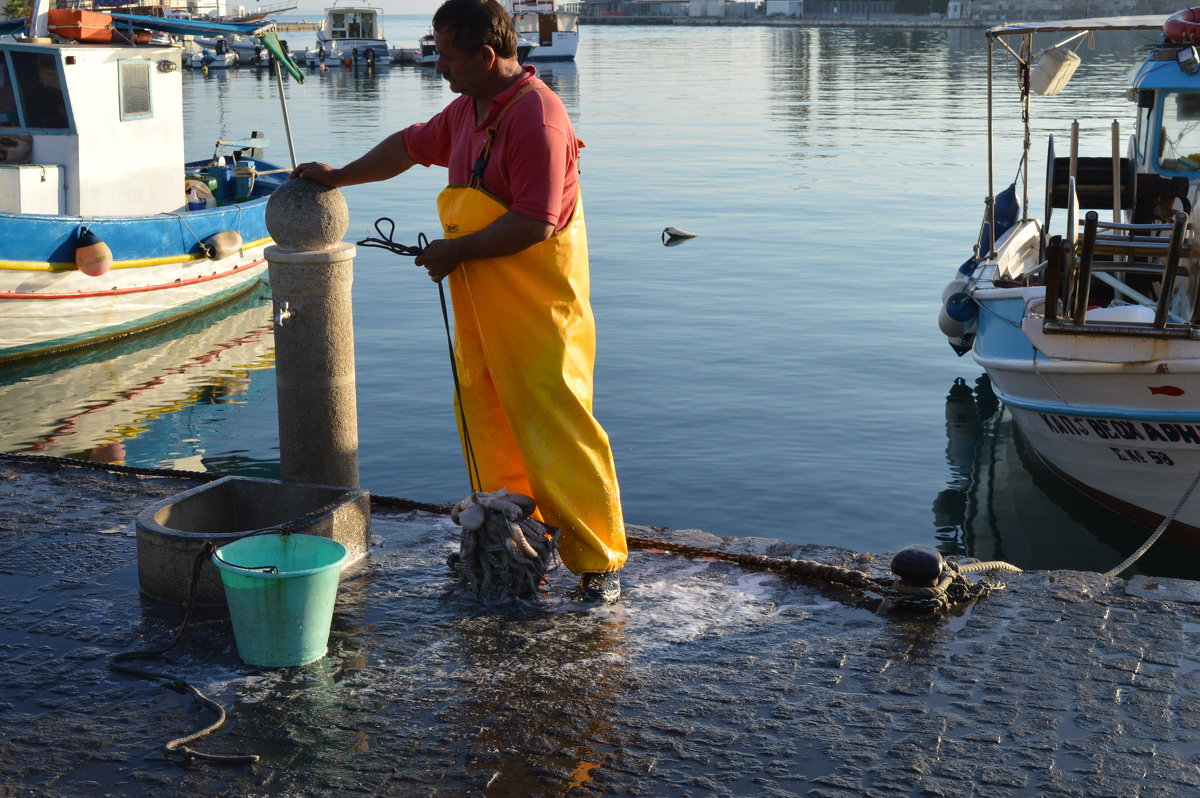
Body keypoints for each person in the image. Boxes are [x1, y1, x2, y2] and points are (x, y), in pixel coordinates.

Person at [292, 0, 626, 603]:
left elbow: (535, 223)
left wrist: (456, 251)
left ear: (485, 56)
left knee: (557, 422)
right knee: (485, 412)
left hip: (540, 307)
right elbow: (411, 145)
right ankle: (513, 535)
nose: (437, 64)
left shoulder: (537, 118)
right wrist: (339, 176)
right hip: (481, 301)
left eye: (446, 55)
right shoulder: (470, 109)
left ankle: (600, 564)